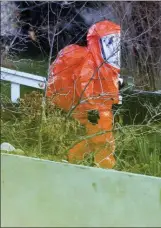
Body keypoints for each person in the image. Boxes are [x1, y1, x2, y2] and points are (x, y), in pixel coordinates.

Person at [46, 20, 121, 169]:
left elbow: (109, 85)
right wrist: (91, 107)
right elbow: (83, 84)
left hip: (98, 109)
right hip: (94, 110)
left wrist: (115, 101)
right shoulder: (91, 61)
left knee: (90, 140)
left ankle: (71, 161)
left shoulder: (106, 65)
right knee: (101, 140)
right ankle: (105, 169)